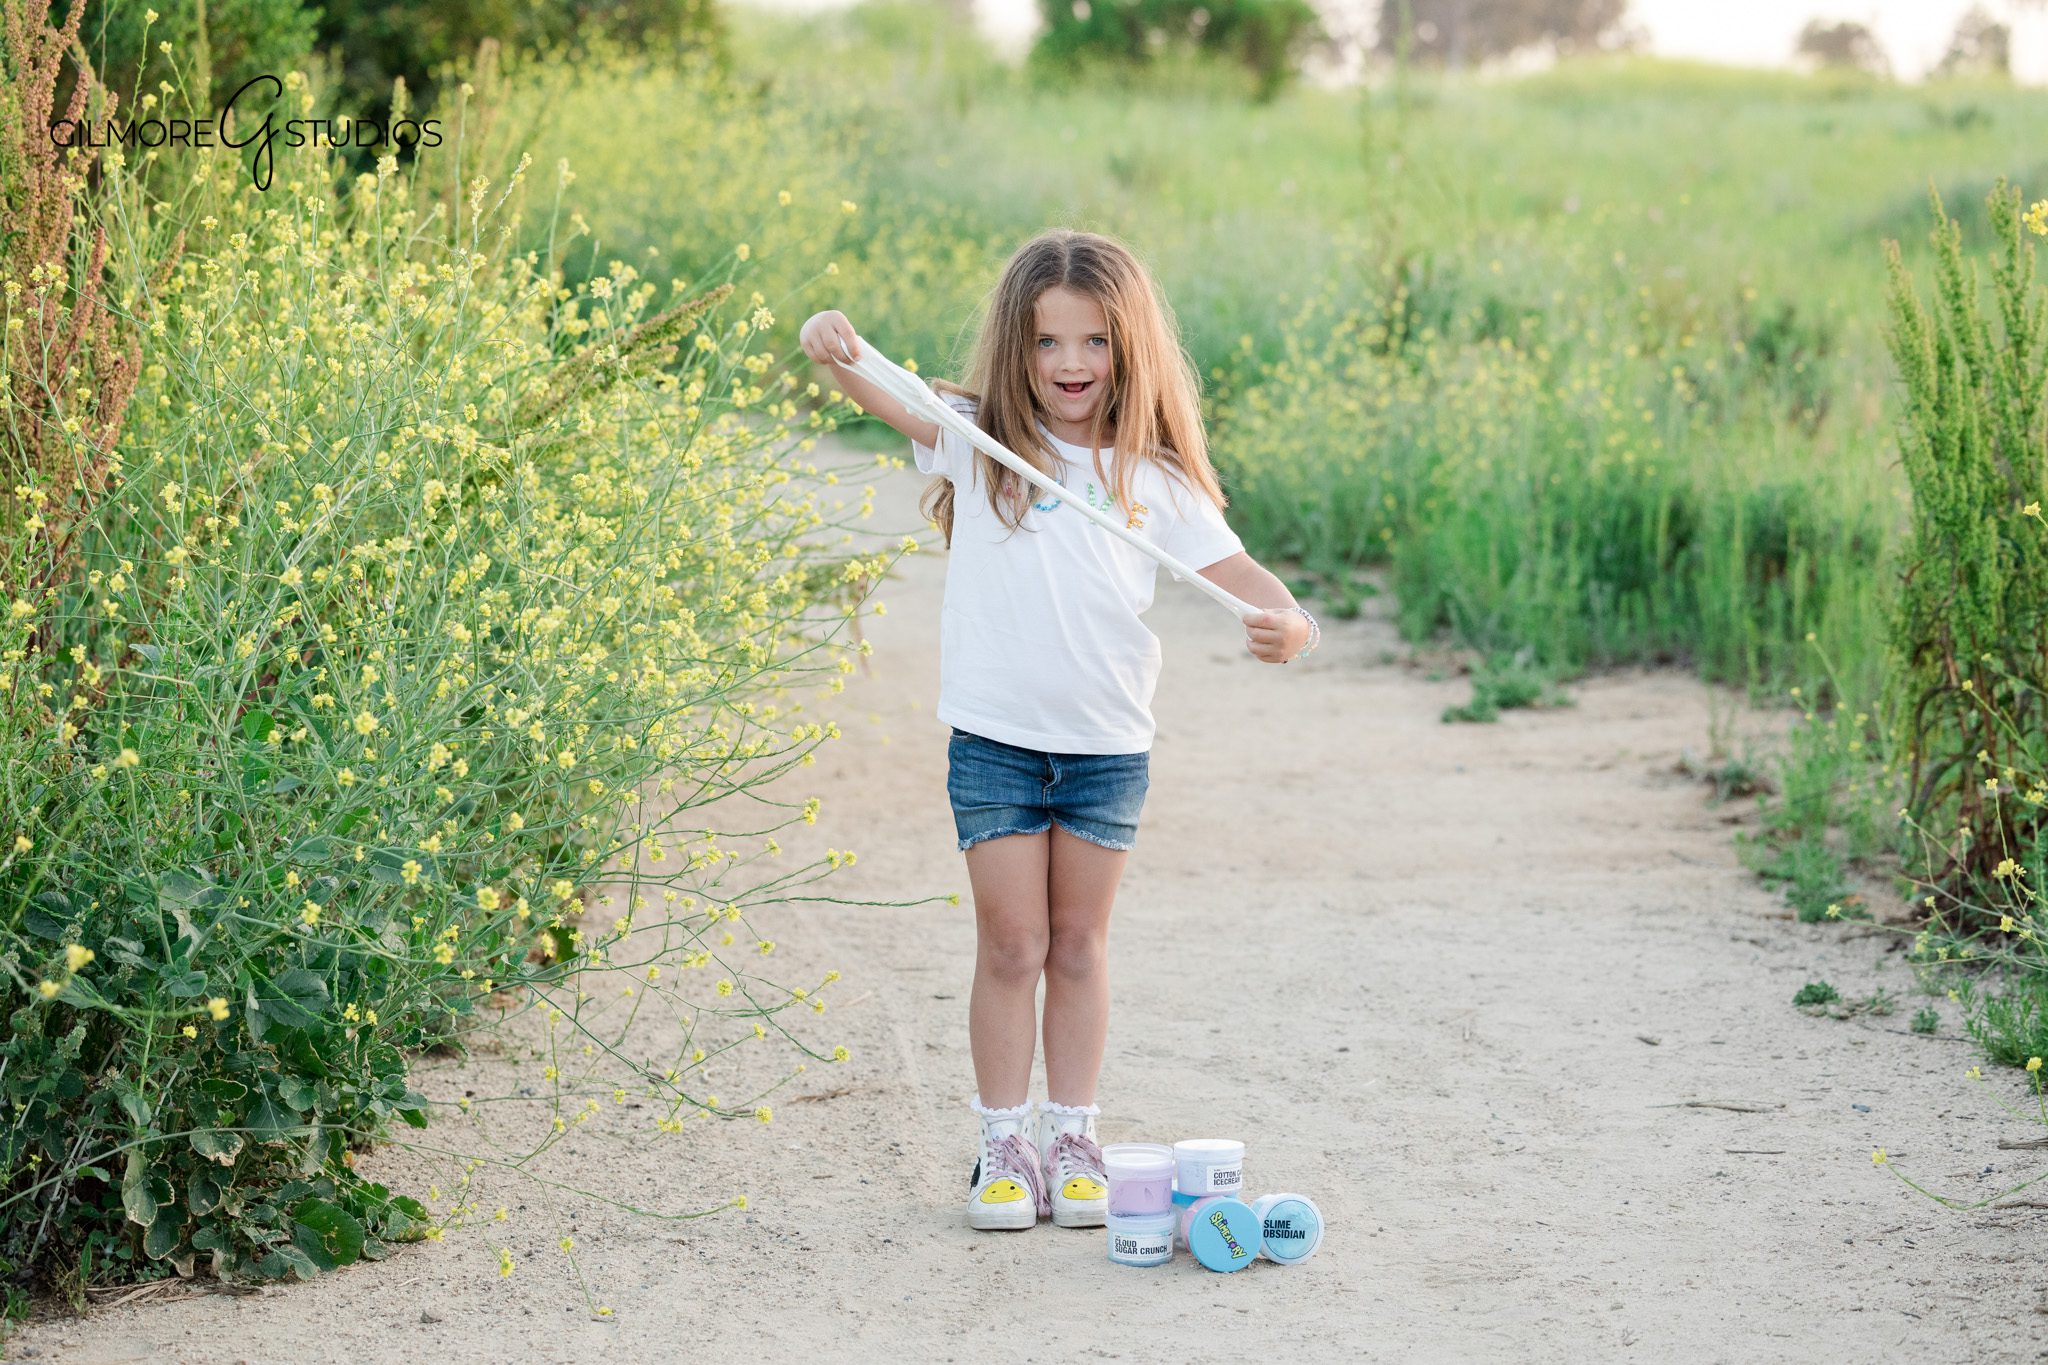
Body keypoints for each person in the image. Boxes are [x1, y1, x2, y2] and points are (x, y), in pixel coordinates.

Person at [798, 228, 1319, 1232]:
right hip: (993, 742)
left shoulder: (1150, 477)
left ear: (1127, 350)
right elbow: (871, 384)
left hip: (1105, 750)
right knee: (1009, 944)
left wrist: (1293, 622)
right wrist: (834, 344)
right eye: (1046, 344)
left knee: (1076, 946)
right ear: (1015, 348)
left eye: (1091, 343)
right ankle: (1003, 1144)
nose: (1069, 365)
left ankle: (1073, 1137)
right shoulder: (977, 438)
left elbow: (1244, 580)